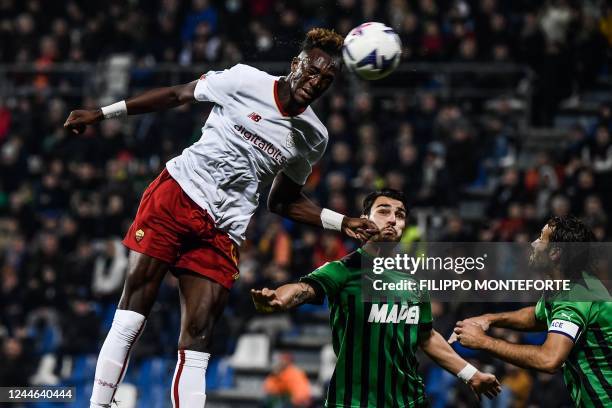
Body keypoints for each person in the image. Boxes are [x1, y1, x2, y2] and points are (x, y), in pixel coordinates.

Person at [63, 28, 378, 408]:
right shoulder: (244, 79)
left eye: (326, 80)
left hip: (223, 230)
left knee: (197, 340)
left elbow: (283, 201)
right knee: (133, 313)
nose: (316, 82)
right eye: (312, 71)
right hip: (177, 195)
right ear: (296, 64)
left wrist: (341, 222)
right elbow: (176, 94)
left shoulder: (313, 136)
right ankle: (100, 404)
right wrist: (101, 113)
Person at [252, 189, 501, 407]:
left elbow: (427, 337)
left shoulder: (414, 279)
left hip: (409, 401)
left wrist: (471, 374)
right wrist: (279, 299)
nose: (393, 219)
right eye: (383, 211)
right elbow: (303, 289)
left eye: (400, 215)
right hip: (351, 402)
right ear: (364, 220)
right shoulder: (344, 269)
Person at [450, 216, 611, 407]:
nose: (534, 243)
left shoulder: (574, 296)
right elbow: (537, 316)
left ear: (555, 253)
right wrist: (489, 319)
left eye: (541, 238)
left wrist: (483, 341)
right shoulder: (566, 284)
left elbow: (549, 360)